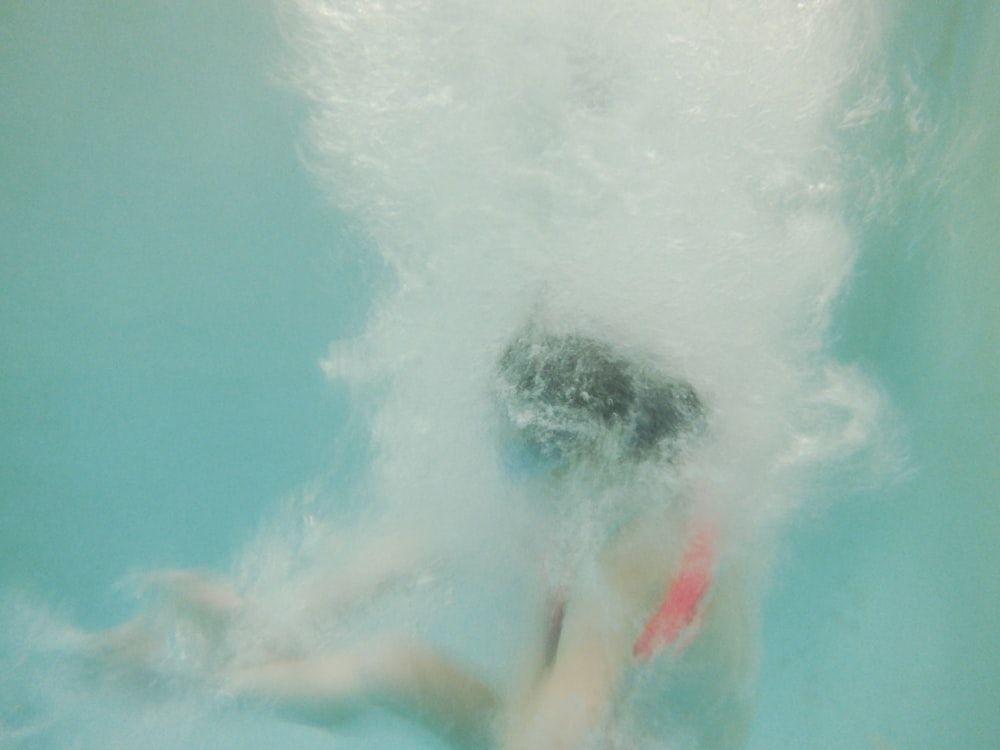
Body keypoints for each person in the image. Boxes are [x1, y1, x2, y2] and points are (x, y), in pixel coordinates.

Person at [83, 324, 747, 749]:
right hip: (582, 724)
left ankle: (194, 685)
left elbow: (556, 725)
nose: (504, 473)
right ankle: (207, 674)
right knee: (392, 659)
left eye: (516, 456)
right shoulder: (580, 498)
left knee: (394, 670)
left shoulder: (635, 550)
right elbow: (404, 557)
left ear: (581, 454)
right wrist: (271, 628)